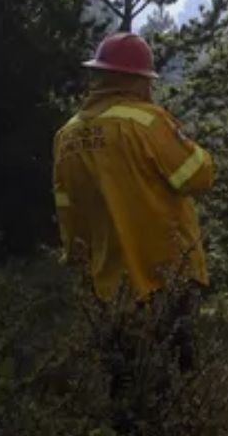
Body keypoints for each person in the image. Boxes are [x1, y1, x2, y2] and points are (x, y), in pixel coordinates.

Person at [52, 32, 214, 372]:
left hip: (108, 285)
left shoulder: (67, 135)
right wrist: (184, 141)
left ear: (100, 76)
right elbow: (199, 176)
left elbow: (67, 210)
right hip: (167, 275)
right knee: (175, 380)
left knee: (122, 381)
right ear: (136, 80)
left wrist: (80, 265)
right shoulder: (147, 122)